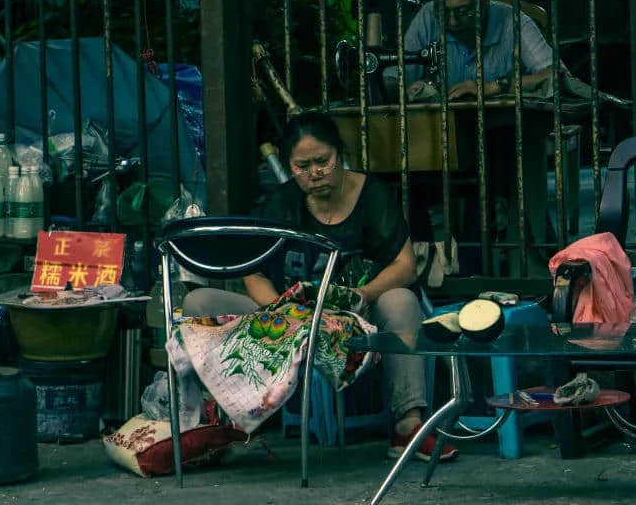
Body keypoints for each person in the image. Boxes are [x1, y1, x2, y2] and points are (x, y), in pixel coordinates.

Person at [183, 111, 457, 463]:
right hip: (288, 318)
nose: (314, 174)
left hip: (359, 312)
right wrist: (277, 307)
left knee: (402, 301)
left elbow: (404, 265)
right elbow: (254, 272)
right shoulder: (281, 203)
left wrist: (365, 294)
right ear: (289, 166)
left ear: (339, 154)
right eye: (302, 166)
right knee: (199, 302)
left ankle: (409, 426)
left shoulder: (372, 195)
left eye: (323, 162)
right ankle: (214, 423)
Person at [384, 0, 556, 100]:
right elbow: (392, 78)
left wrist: (491, 87)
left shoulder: (514, 21)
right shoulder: (428, 16)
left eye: (463, 11)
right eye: (443, 12)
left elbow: (557, 73)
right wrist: (408, 89)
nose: (452, 22)